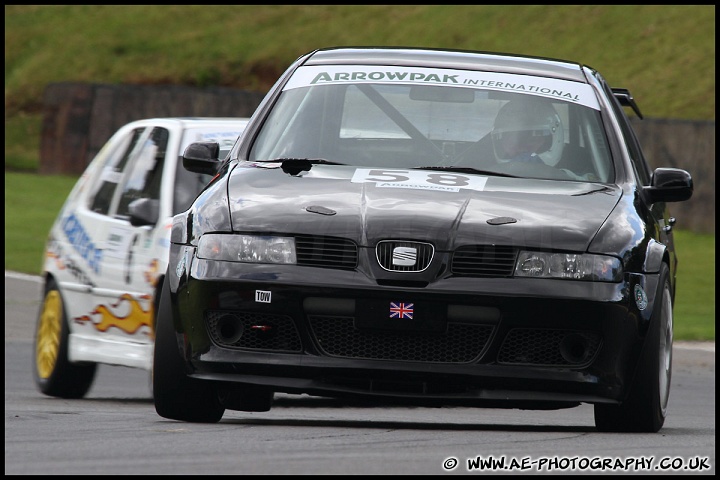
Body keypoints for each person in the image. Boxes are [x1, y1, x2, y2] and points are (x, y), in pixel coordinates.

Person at [490, 99, 564, 165]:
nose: (521, 149)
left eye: (531, 140)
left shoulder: (569, 179)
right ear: (500, 143)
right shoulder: (482, 178)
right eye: (512, 141)